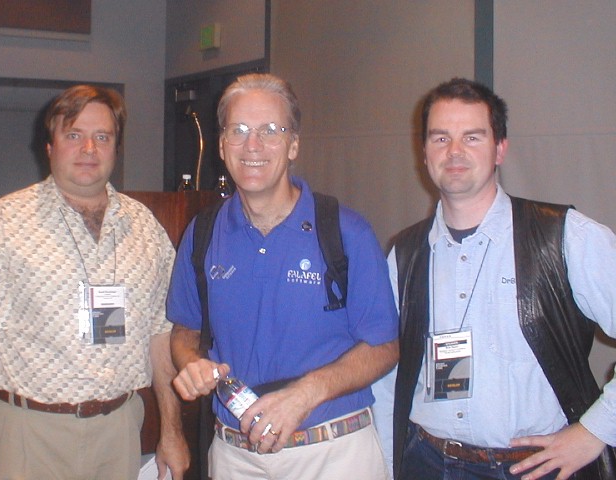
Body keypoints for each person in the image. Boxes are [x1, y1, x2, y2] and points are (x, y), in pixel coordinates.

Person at [374, 77, 616, 480]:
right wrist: (387, 464)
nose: (454, 152)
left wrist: (595, 431)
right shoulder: (405, 254)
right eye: (440, 138)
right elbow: (388, 378)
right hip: (427, 463)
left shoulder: (564, 237)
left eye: (472, 137)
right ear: (424, 153)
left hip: (533, 468)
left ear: (500, 148)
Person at [167, 73, 399, 480]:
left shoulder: (345, 233)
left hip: (332, 454)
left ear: (293, 145)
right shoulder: (202, 235)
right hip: (235, 456)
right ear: (221, 146)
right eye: (238, 131)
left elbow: (386, 347)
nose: (252, 145)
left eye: (270, 131)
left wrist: (305, 395)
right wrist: (191, 364)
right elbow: (185, 332)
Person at [0, 85, 189, 480]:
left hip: (120, 430)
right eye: (73, 134)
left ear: (116, 148)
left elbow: (162, 336)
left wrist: (172, 433)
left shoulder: (145, 227)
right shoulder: (0, 225)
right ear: (49, 147)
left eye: (102, 137)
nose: (89, 148)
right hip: (29, 434)